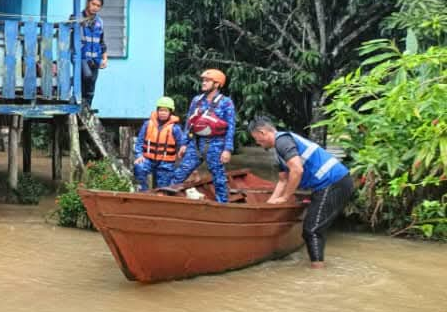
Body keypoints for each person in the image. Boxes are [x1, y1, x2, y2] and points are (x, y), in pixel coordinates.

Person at [248, 116, 354, 268]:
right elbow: (283, 180)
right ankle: (318, 266)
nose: (257, 143)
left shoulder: (282, 141)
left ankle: (318, 273)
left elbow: (297, 170)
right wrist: (270, 202)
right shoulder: (278, 151)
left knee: (312, 230)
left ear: (262, 132)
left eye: (256, 139)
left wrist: (285, 197)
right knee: (313, 229)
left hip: (334, 182)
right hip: (326, 185)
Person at [168, 68, 236, 202]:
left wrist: (227, 150)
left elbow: (231, 127)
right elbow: (189, 124)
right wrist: (184, 144)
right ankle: (168, 201)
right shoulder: (196, 100)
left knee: (219, 179)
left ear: (217, 84)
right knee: (180, 173)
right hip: (196, 144)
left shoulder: (226, 102)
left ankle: (222, 207)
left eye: (207, 81)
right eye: (203, 80)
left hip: (216, 144)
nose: (203, 83)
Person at [133, 96, 185, 191]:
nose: (163, 113)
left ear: (170, 112)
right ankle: (144, 192)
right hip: (148, 159)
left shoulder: (175, 128)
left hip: (166, 163)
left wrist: (180, 159)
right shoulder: (148, 124)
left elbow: (182, 145)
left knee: (163, 187)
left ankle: (159, 198)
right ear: (157, 111)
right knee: (138, 167)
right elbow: (139, 142)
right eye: (161, 110)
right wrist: (139, 155)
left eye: (165, 111)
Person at [74, 0, 108, 112]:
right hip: (81, 57)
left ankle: (86, 109)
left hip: (95, 59)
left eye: (98, 6)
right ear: (88, 2)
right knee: (86, 76)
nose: (95, 7)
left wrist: (105, 58)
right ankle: (79, 104)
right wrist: (77, 22)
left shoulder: (100, 22)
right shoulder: (77, 17)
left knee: (92, 85)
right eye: (93, 4)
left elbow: (102, 42)